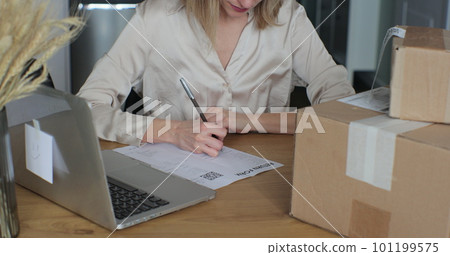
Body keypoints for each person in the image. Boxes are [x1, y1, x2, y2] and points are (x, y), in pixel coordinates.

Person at [77, 0, 355, 157]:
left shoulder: (289, 17)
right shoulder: (157, 16)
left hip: (268, 182)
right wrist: (172, 131)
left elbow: (343, 113)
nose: (246, 3)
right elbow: (86, 109)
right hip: (171, 177)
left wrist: (249, 121)